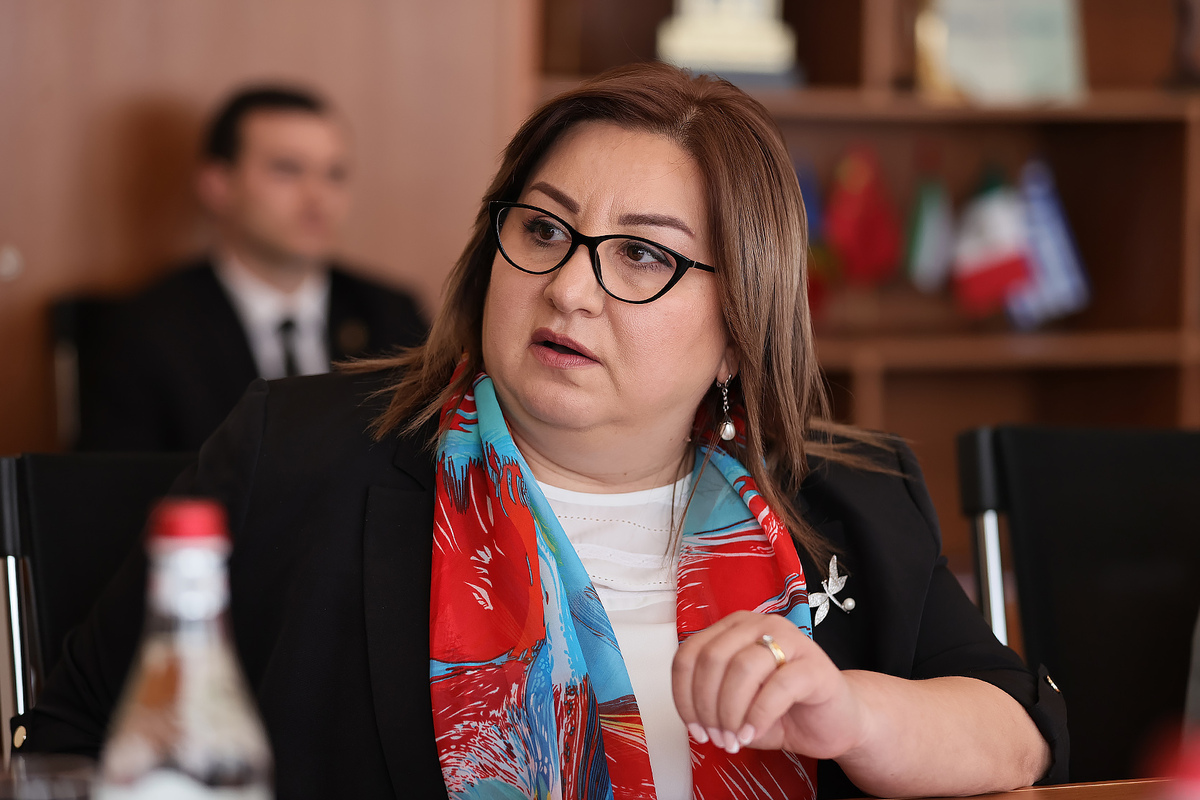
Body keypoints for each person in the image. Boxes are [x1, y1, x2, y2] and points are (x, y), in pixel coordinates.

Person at [16, 63, 1067, 799]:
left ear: (741, 328)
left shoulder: (848, 495)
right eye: (545, 228)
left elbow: (1024, 730)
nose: (569, 286)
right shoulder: (296, 456)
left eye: (643, 254)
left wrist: (855, 716)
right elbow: (68, 741)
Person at [75, 86, 427, 452]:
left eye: (334, 174)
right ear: (218, 186)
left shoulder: (392, 314)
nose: (318, 196)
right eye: (288, 169)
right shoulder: (146, 330)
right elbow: (118, 481)